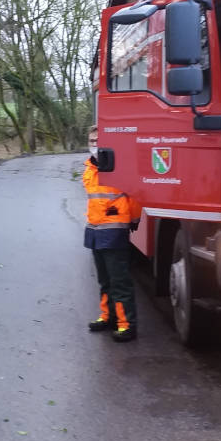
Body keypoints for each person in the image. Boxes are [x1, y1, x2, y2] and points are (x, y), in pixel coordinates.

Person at [83, 126, 141, 343]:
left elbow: (134, 195)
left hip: (114, 230)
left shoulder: (120, 167)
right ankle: (108, 317)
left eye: (98, 140)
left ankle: (127, 325)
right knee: (104, 280)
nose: (94, 144)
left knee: (120, 281)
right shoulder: (90, 167)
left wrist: (133, 219)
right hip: (95, 230)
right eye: (91, 140)